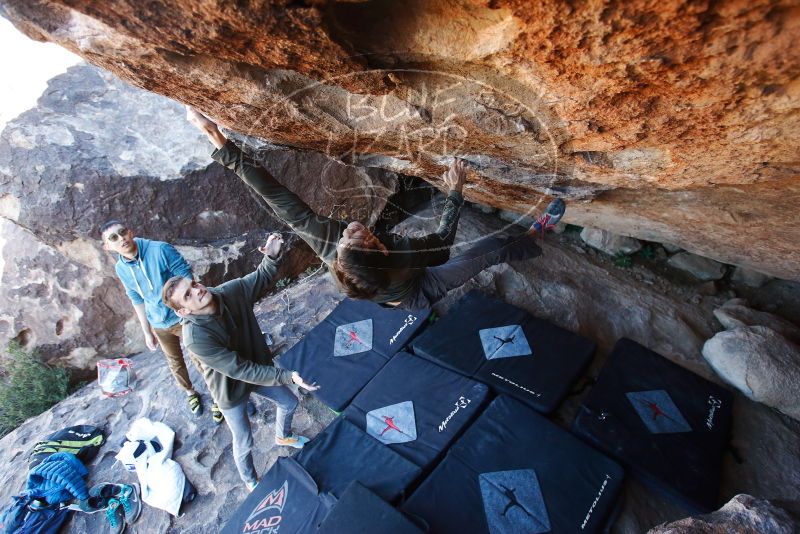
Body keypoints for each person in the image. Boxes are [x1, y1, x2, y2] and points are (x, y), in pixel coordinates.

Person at [185, 107, 565, 309]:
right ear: (380, 247)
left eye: (347, 237)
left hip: (380, 283)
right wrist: (455, 192)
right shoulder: (401, 255)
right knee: (484, 253)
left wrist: (221, 144)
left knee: (303, 220)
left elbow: (281, 200)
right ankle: (534, 234)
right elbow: (444, 244)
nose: (351, 227)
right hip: (419, 292)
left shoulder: (335, 249)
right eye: (359, 235)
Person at [161, 233, 319, 491]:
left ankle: (283, 436)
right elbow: (239, 370)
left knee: (289, 401)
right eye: (188, 295)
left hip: (257, 368)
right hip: (230, 388)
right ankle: (249, 480)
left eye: (195, 284)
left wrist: (272, 255)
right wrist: (286, 376)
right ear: (183, 311)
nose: (198, 290)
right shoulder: (194, 338)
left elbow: (260, 278)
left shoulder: (227, 292)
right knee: (244, 440)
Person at [101, 221, 219, 420]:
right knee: (174, 362)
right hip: (158, 323)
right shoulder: (121, 268)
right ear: (107, 247)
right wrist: (147, 331)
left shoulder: (159, 249)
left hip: (182, 317)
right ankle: (190, 392)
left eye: (123, 232)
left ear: (131, 232)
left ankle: (218, 397)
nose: (121, 238)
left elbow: (186, 278)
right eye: (114, 237)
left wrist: (189, 310)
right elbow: (136, 298)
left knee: (201, 358)